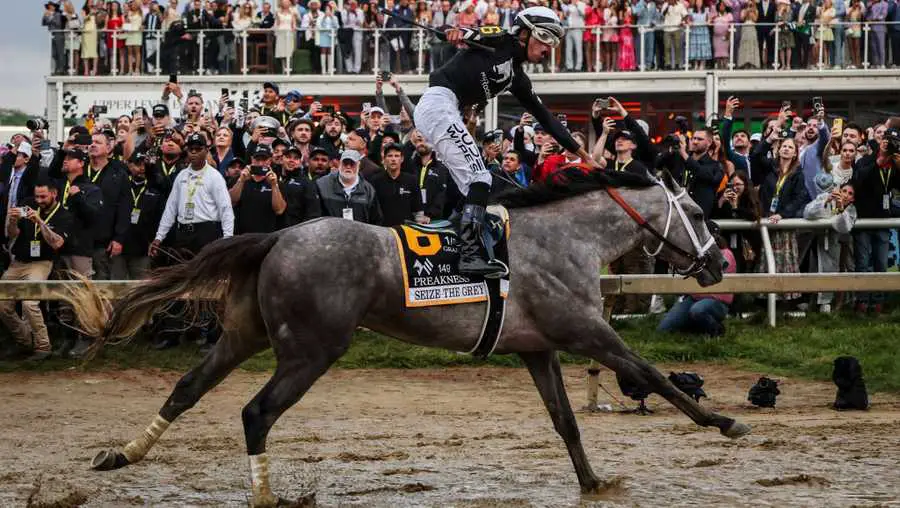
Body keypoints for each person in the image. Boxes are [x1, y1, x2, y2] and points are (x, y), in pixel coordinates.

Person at [415, 7, 597, 278]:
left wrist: (586, 155)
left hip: (445, 110)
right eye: (546, 38)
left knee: (473, 184)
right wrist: (455, 33)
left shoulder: (517, 78)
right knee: (480, 178)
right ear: (525, 33)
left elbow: (547, 119)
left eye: (554, 43)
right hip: (439, 104)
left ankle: (453, 241)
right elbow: (474, 34)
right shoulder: (502, 40)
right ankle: (470, 255)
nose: (549, 49)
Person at [0, 180, 73, 361]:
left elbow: (57, 243)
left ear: (54, 194)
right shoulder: (28, 204)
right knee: (2, 303)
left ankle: (43, 346)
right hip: (18, 262)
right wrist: (12, 221)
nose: (39, 200)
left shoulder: (64, 215)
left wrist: (39, 221)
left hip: (42, 263)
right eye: (37, 196)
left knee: (29, 303)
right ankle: (25, 342)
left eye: (43, 196)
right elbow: (13, 234)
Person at [849, 127, 900, 314]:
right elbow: (858, 180)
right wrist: (878, 162)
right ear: (880, 141)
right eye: (885, 139)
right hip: (864, 218)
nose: (888, 143)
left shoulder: (895, 164)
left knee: (881, 262)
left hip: (883, 219)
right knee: (862, 262)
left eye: (892, 141)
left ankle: (879, 301)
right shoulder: (866, 160)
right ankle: (861, 301)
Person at [657, 232, 736, 336]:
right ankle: (696, 326)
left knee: (697, 310)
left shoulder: (725, 254)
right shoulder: (693, 255)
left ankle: (717, 330)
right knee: (663, 329)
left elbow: (713, 271)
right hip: (693, 298)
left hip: (716, 301)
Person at [803, 175, 856, 313]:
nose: (845, 195)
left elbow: (843, 227)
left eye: (850, 194)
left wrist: (840, 209)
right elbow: (807, 213)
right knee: (814, 269)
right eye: (844, 191)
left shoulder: (851, 209)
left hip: (840, 244)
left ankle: (829, 303)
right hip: (819, 240)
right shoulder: (825, 197)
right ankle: (812, 301)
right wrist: (826, 201)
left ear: (852, 199)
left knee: (836, 271)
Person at [307, 149, 382, 224]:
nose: (348, 167)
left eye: (352, 163)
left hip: (359, 234)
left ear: (359, 165)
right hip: (330, 233)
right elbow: (314, 216)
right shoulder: (322, 185)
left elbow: (376, 220)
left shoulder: (369, 190)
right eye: (345, 163)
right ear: (339, 164)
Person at [229, 145, 287, 234]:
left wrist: (274, 186)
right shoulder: (238, 179)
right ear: (252, 159)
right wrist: (241, 181)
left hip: (266, 237)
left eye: (264, 160)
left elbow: (279, 210)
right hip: (240, 236)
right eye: (257, 159)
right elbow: (230, 202)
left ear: (270, 160)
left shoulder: (277, 183)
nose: (260, 164)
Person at [369, 143, 426, 227]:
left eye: (396, 156)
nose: (393, 159)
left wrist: (419, 225)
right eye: (390, 156)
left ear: (402, 159)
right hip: (383, 230)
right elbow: (371, 210)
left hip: (406, 230)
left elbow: (418, 209)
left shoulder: (411, 180)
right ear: (384, 159)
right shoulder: (375, 181)